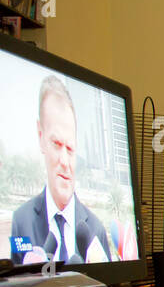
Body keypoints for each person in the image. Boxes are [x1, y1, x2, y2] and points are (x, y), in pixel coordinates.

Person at [9, 75, 112, 265]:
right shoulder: (21, 221)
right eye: (56, 144)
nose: (64, 161)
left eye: (70, 148)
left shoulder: (96, 229)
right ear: (41, 136)